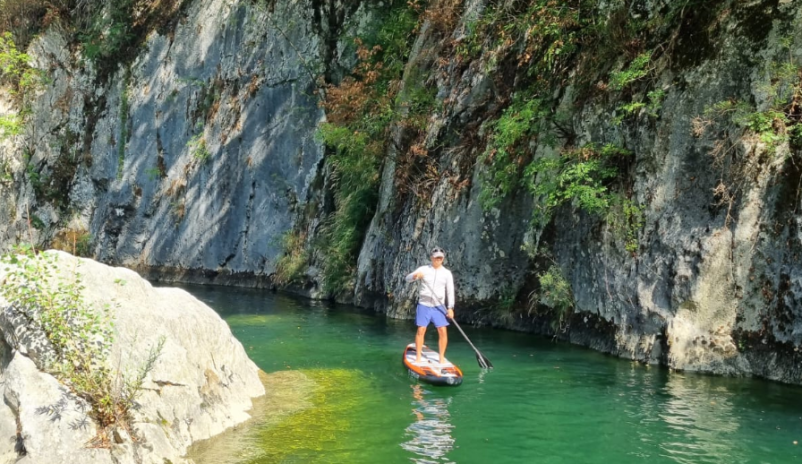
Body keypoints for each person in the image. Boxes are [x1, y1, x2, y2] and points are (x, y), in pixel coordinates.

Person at [405, 247, 455, 365]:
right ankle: (417, 358)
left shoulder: (447, 273)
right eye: (436, 257)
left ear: (443, 259)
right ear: (431, 258)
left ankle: (441, 358)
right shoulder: (423, 269)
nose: (438, 259)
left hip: (439, 306)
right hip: (424, 305)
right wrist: (416, 276)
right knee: (421, 329)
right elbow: (407, 279)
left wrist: (450, 307)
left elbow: (450, 291)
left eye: (440, 258)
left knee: (442, 330)